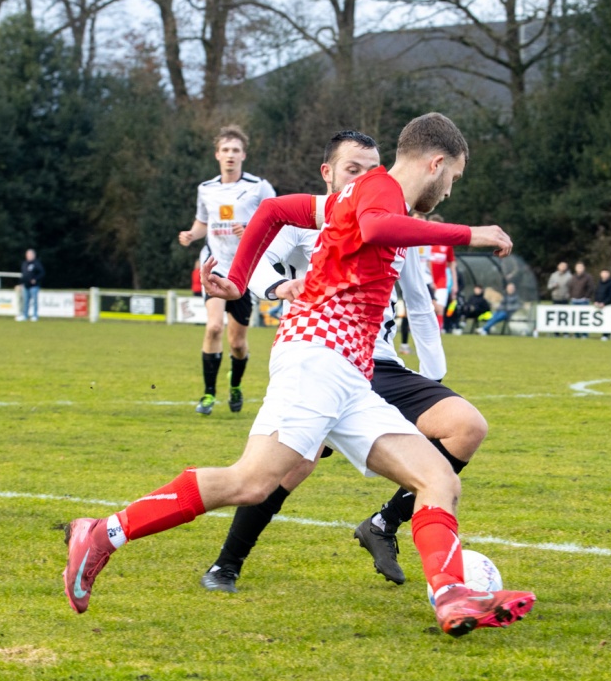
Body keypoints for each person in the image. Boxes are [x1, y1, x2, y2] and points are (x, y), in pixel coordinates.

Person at [64, 113, 535, 637]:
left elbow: (272, 210)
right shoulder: (378, 189)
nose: (449, 191)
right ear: (437, 163)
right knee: (251, 481)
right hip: (317, 355)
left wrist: (238, 279)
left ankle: (451, 597)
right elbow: (376, 228)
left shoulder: (355, 196)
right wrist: (470, 234)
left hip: (349, 372)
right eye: (454, 179)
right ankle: (102, 533)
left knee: (437, 478)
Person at [199, 130, 488, 593]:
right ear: (328, 173)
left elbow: (419, 304)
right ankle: (226, 564)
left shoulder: (395, 219)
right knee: (289, 466)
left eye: (372, 169)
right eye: (353, 169)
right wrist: (278, 287)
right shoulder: (309, 221)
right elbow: (259, 259)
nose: (366, 178)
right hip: (322, 355)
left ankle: (383, 524)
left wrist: (432, 376)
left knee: (465, 426)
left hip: (381, 364)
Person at [178, 126, 276, 415]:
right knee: (213, 328)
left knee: (237, 344)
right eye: (225, 150)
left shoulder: (259, 187)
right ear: (217, 155)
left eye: (235, 150)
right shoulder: (206, 189)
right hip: (214, 266)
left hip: (245, 271)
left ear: (243, 155)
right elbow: (202, 223)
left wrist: (251, 230)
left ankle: (235, 385)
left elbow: (278, 223)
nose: (230, 155)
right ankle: (208, 394)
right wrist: (191, 234)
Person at [427, 216, 458, 331]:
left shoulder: (446, 244)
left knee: (439, 310)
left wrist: (455, 284)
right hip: (426, 281)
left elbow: (452, 265)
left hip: (441, 282)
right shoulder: (424, 243)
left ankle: (437, 334)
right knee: (428, 309)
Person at [18, 249, 44, 322]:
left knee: (34, 301)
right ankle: (25, 315)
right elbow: (23, 275)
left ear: (34, 255)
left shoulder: (37, 263)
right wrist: (21, 283)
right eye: (27, 254)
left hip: (34, 286)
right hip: (26, 285)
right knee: (25, 301)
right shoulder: (24, 263)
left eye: (30, 254)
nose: (28, 256)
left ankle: (35, 316)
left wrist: (35, 279)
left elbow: (42, 273)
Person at [594, 269, 611, 340]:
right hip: (599, 305)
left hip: (608, 306)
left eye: (606, 273)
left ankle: (605, 335)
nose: (604, 275)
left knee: (608, 320)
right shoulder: (599, 283)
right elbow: (596, 293)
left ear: (608, 274)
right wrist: (596, 301)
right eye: (603, 273)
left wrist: (604, 303)